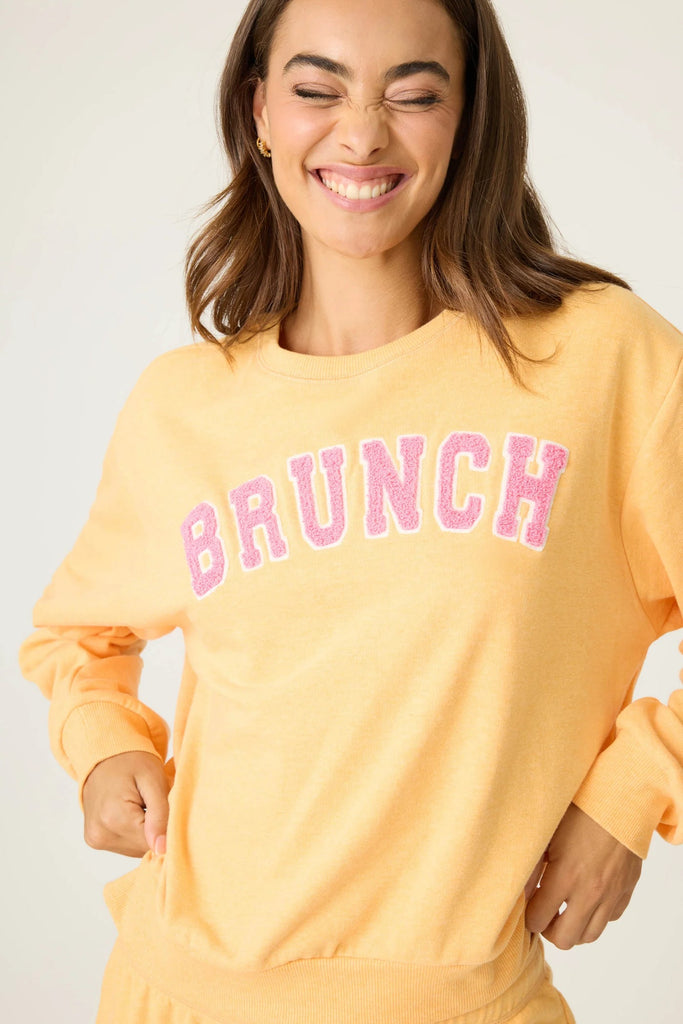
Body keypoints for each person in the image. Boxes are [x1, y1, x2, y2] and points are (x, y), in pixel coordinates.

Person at [16, 0, 683, 1021]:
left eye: (412, 94)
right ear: (260, 113)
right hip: (175, 989)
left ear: (469, 116)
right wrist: (106, 741)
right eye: (316, 89)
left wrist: (635, 790)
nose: (361, 133)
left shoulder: (601, 362)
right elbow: (76, 635)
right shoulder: (183, 405)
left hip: (460, 999)